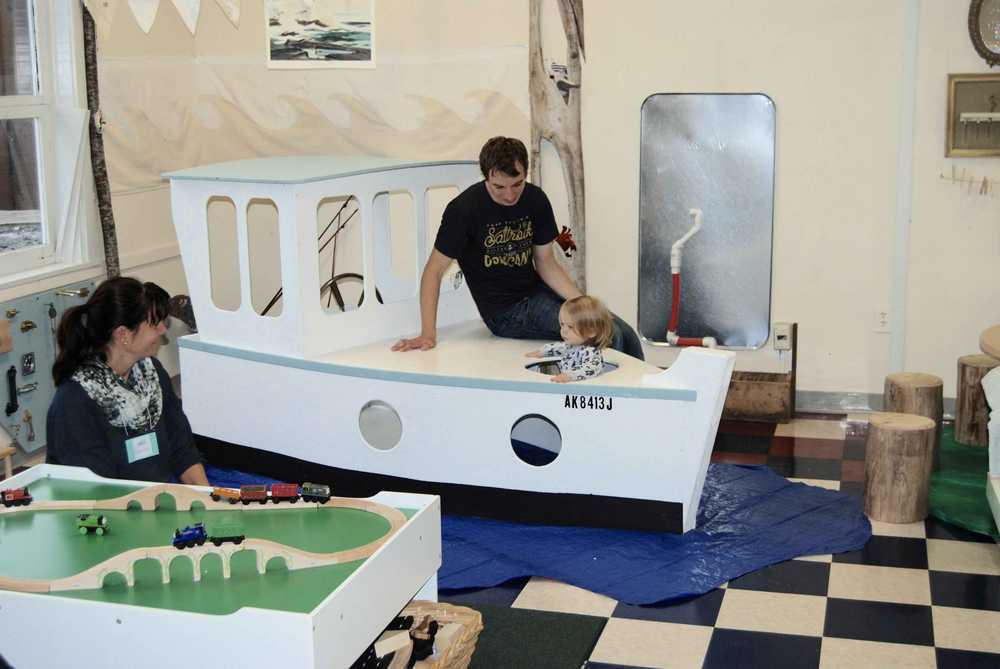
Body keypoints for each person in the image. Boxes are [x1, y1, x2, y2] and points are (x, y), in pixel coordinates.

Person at [392, 136, 644, 359]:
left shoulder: (535, 199)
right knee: (604, 335)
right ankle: (618, 403)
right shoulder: (463, 210)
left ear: (526, 173)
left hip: (536, 292)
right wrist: (428, 333)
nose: (510, 195)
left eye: (517, 184)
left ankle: (645, 396)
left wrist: (581, 302)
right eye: (499, 187)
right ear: (485, 176)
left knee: (621, 330)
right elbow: (434, 271)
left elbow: (546, 264)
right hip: (505, 312)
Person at [46, 277, 209, 485]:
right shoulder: (75, 400)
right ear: (123, 334)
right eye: (154, 324)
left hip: (153, 501)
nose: (162, 330)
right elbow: (98, 490)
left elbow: (183, 450)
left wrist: (208, 499)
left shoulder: (152, 374)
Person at [526, 295, 614, 383]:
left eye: (570, 327)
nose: (563, 330)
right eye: (562, 324)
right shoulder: (572, 346)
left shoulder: (592, 354)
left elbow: (590, 370)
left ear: (591, 332)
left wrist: (570, 376)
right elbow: (558, 347)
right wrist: (542, 352)